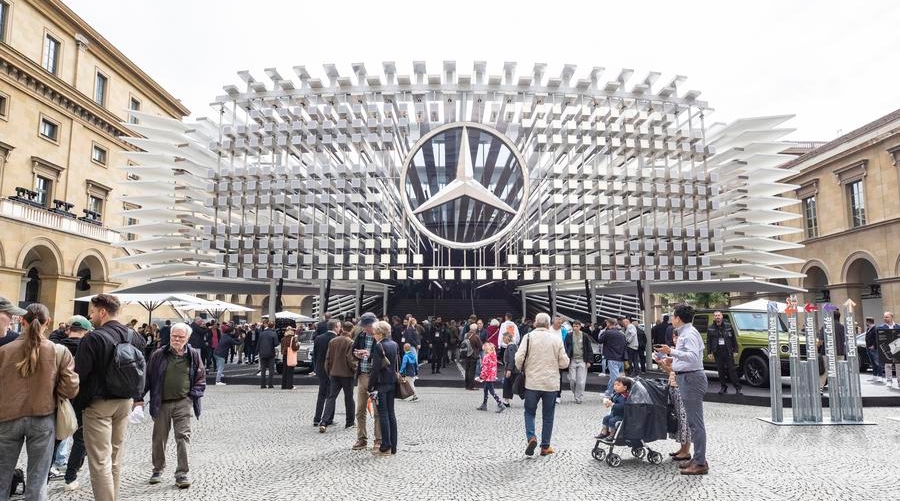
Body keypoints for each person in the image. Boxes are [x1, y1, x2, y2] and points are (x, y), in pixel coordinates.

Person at [0, 303, 79, 501]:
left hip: (7, 418)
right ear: (48, 322)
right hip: (43, 417)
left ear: (22, 321)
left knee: (1, 477)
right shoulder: (58, 351)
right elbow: (70, 389)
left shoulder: (4, 351)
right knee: (38, 480)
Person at [75, 293, 147, 501]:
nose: (91, 316)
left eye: (92, 312)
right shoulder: (135, 336)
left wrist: (76, 404)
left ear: (102, 312)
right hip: (125, 402)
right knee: (115, 457)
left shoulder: (93, 338)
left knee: (100, 462)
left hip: (99, 404)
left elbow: (80, 375)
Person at [143, 322, 205, 489]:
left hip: (183, 402)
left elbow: (201, 378)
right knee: (159, 438)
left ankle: (182, 473)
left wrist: (193, 395)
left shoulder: (193, 355)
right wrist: (138, 398)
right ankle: (157, 469)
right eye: (174, 336)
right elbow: (148, 377)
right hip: (161, 402)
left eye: (180, 337)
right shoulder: (159, 354)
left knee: (183, 437)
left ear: (187, 338)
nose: (176, 339)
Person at [654, 304, 709, 475]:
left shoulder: (689, 333)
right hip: (689, 377)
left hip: (691, 379)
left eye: (673, 316)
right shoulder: (688, 332)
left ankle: (700, 462)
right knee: (694, 423)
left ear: (678, 318)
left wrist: (671, 351)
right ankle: (698, 458)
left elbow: (693, 356)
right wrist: (673, 360)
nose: (671, 319)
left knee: (696, 423)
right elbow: (693, 356)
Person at [515, 312, 569, 457]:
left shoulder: (528, 337)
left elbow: (519, 358)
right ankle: (545, 447)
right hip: (550, 384)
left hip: (532, 382)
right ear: (548, 324)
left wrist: (523, 368)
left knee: (529, 412)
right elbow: (564, 363)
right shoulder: (556, 339)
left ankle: (531, 437)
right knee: (548, 415)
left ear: (535, 323)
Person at [54, 315, 92, 491]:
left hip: (58, 399)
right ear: (86, 332)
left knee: (54, 439)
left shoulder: (55, 348)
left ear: (68, 330)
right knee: (80, 440)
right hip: (81, 400)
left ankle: (44, 476)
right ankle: (70, 478)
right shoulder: (89, 349)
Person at [657, 332, 692, 461]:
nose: (675, 339)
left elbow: (679, 371)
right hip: (673, 387)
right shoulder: (675, 352)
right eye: (674, 337)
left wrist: (666, 364)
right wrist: (661, 364)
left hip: (681, 388)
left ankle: (686, 450)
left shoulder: (683, 353)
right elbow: (671, 371)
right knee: (678, 418)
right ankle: (683, 448)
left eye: (677, 337)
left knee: (684, 419)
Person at [368, 321, 399, 456]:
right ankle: (393, 445)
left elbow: (375, 369)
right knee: (391, 413)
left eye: (374, 333)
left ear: (380, 334)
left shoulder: (379, 346)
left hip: (381, 384)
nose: (373, 336)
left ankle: (385, 445)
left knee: (383, 414)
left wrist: (370, 386)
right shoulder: (394, 344)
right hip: (392, 382)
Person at [351, 313, 381, 450]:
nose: (364, 329)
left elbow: (385, 356)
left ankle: (378, 440)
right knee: (360, 410)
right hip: (362, 375)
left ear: (372, 325)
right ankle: (361, 439)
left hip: (376, 377)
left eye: (365, 326)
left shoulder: (380, 336)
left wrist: (369, 356)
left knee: (377, 410)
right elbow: (353, 351)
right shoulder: (361, 335)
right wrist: (356, 354)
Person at [320, 323, 357, 432]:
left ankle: (324, 421)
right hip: (347, 374)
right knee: (349, 398)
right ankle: (349, 422)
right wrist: (355, 369)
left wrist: (329, 371)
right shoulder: (350, 342)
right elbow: (350, 359)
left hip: (334, 373)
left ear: (342, 329)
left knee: (331, 398)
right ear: (351, 330)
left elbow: (327, 358)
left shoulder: (333, 341)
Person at [707, 311, 742, 395]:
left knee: (732, 370)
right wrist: (709, 352)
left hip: (728, 351)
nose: (717, 317)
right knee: (720, 371)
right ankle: (723, 387)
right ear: (714, 317)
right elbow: (709, 341)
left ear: (722, 316)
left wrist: (735, 350)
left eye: (719, 315)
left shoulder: (728, 326)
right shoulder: (710, 328)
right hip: (717, 352)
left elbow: (733, 339)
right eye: (716, 315)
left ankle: (738, 388)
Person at [313, 319, 339, 427]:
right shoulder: (336, 339)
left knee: (321, 394)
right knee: (331, 395)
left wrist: (316, 367)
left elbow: (315, 354)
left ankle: (317, 418)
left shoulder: (318, 338)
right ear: (335, 327)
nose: (340, 328)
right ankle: (329, 418)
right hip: (331, 369)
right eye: (339, 326)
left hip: (320, 368)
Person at [563, 320, 593, 404]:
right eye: (574, 326)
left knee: (580, 381)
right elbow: (566, 347)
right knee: (572, 380)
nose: (575, 328)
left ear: (580, 327)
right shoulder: (569, 335)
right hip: (572, 359)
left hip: (582, 360)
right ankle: (576, 393)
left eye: (577, 326)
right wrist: (566, 358)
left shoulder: (585, 336)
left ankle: (578, 397)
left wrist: (589, 361)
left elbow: (589, 348)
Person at [596, 376, 633, 442]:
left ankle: (612, 435)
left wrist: (612, 404)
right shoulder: (616, 394)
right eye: (614, 385)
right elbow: (612, 400)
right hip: (614, 413)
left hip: (621, 415)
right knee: (606, 418)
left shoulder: (624, 397)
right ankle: (604, 432)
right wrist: (607, 402)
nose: (615, 386)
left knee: (612, 421)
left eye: (618, 385)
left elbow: (621, 407)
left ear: (625, 388)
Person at [817, 311, 846, 391]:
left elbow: (820, 341)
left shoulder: (826, 326)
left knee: (824, 370)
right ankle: (837, 388)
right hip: (840, 352)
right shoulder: (842, 327)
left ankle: (820, 388)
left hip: (827, 352)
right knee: (838, 370)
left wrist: (816, 348)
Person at [597, 318, 626, 398]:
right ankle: (609, 393)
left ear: (608, 324)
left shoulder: (607, 332)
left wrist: (605, 330)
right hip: (620, 357)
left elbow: (600, 340)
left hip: (612, 357)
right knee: (613, 376)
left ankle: (620, 394)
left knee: (615, 378)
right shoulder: (621, 334)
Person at [476, 343, 506, 413]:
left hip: (488, 376)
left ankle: (500, 404)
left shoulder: (486, 357)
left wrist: (481, 377)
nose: (483, 351)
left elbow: (485, 368)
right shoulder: (493, 355)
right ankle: (484, 404)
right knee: (485, 389)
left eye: (484, 350)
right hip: (492, 375)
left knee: (492, 391)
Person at [462, 324, 483, 390]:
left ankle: (467, 385)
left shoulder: (466, 335)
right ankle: (471, 386)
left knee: (467, 370)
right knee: (472, 371)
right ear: (475, 329)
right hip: (473, 355)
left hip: (466, 354)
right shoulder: (476, 336)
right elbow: (480, 346)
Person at [501, 332, 518, 407]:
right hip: (512, 369)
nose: (503, 339)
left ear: (507, 338)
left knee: (510, 385)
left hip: (513, 370)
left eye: (503, 338)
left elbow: (512, 359)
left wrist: (509, 370)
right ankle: (506, 401)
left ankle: (506, 401)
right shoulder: (511, 346)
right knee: (509, 385)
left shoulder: (511, 346)